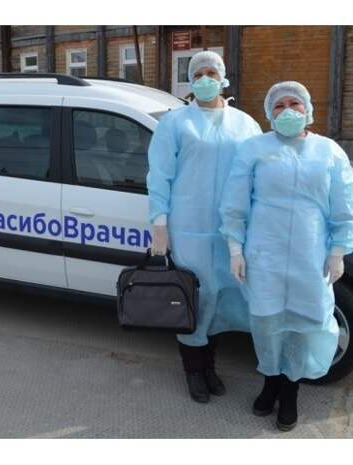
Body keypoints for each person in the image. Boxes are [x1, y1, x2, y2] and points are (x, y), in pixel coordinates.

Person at [219, 81, 353, 431]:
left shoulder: (328, 152)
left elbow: (344, 207)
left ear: (307, 109)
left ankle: (290, 392)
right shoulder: (254, 149)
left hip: (309, 256)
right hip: (264, 254)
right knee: (266, 324)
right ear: (269, 113)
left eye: (293, 104)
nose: (286, 111)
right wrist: (235, 248)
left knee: (302, 325)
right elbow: (235, 203)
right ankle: (270, 383)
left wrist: (338, 251)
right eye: (278, 106)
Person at [146, 51, 262, 403]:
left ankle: (210, 367)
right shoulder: (175, 122)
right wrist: (160, 224)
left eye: (212, 72)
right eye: (198, 74)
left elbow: (259, 175)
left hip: (230, 230)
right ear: (191, 80)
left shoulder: (245, 124)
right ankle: (193, 372)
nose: (205, 79)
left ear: (223, 78)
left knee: (221, 298)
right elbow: (159, 175)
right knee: (192, 299)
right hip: (188, 227)